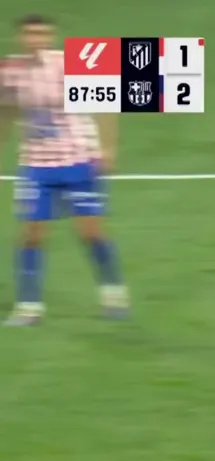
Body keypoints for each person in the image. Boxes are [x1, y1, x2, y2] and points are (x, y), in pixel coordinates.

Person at [1, 14, 127, 325]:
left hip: (78, 159)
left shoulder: (69, 64)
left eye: (42, 34)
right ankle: (29, 307)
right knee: (31, 235)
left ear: (51, 37)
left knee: (90, 232)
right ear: (21, 37)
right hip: (35, 165)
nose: (36, 40)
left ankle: (114, 295)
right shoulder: (11, 71)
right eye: (30, 34)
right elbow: (6, 113)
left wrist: (108, 148)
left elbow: (107, 102)